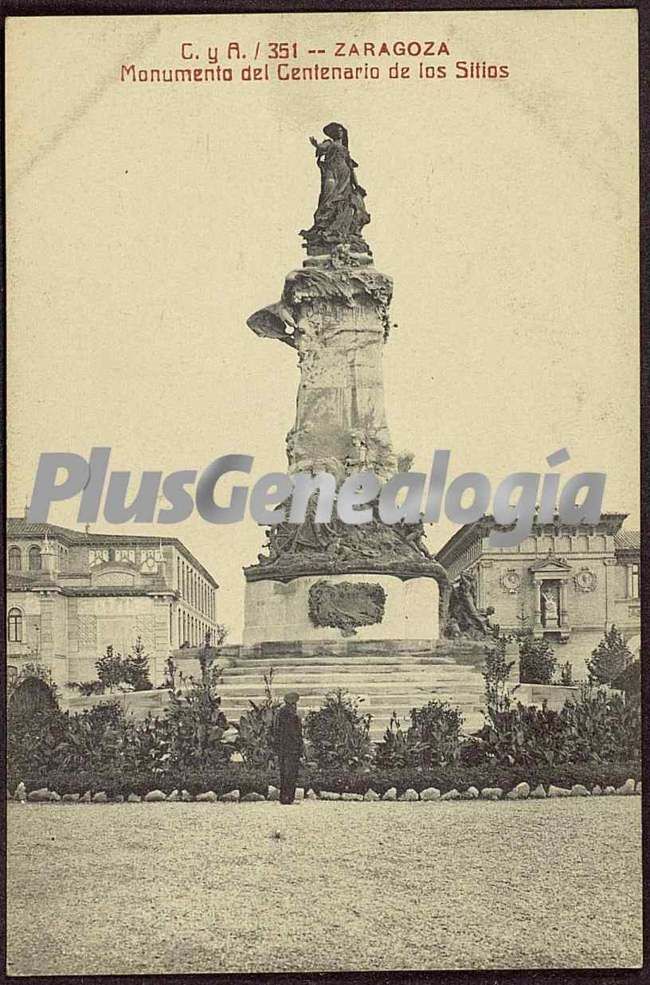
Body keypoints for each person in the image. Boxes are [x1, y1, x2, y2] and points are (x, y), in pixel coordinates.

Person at [275, 691, 304, 805]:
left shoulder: (280, 715)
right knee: (291, 773)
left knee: (284, 772)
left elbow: (276, 731)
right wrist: (300, 747)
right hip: (292, 749)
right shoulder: (294, 717)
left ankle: (284, 797)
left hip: (283, 748)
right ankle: (289, 797)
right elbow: (297, 735)